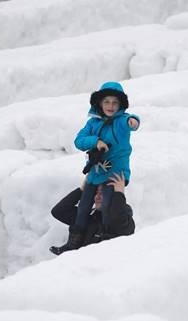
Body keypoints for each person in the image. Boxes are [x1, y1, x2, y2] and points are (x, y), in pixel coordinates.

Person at [52, 80, 140, 253]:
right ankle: (73, 243)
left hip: (114, 174)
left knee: (107, 207)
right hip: (95, 172)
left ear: (120, 105)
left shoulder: (121, 121)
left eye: (115, 102)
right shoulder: (92, 123)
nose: (111, 106)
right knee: (84, 207)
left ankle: (105, 242)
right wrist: (96, 141)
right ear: (99, 103)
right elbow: (79, 141)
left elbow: (131, 121)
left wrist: (133, 122)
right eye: (106, 101)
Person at [49, 173, 135, 255]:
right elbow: (59, 211)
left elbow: (116, 218)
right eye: (96, 193)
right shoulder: (89, 219)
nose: (97, 197)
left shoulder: (125, 223)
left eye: (102, 193)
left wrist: (119, 194)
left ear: (112, 196)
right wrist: (83, 190)